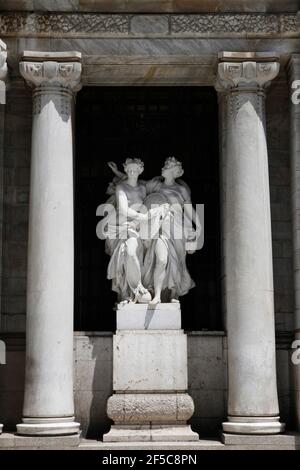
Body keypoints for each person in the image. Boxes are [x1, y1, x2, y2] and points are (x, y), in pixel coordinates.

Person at [104, 158, 152, 304]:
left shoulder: (144, 187)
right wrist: (142, 216)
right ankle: (134, 290)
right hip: (124, 225)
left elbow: (158, 194)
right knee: (128, 253)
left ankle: (143, 289)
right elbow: (124, 210)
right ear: (126, 171)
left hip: (141, 226)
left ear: (140, 171)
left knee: (146, 254)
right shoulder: (121, 188)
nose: (132, 173)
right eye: (129, 170)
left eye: (135, 170)